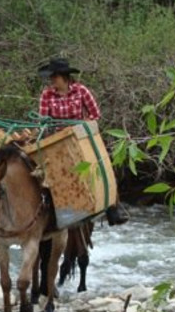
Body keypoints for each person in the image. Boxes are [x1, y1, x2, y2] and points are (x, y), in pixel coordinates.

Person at [37, 57, 128, 225]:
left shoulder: (81, 91)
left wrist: (82, 125)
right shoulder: (47, 95)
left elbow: (95, 114)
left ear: (64, 77)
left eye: (54, 77)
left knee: (101, 162)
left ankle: (113, 206)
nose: (51, 80)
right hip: (58, 141)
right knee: (44, 172)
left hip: (80, 137)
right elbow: (43, 121)